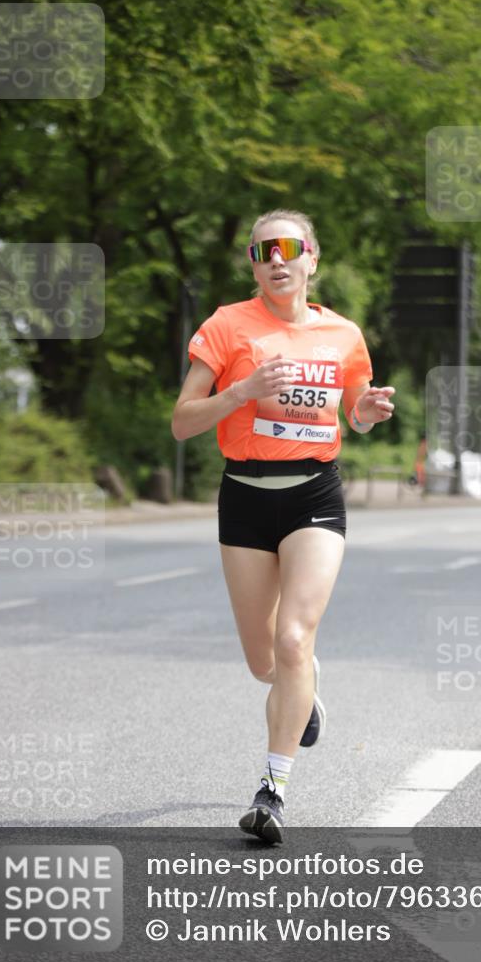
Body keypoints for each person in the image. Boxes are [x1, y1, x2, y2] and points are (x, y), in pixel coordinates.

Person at [171, 209, 395, 844]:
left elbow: (355, 413)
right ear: (252, 262)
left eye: (289, 248)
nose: (276, 259)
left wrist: (366, 411)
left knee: (294, 639)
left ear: (311, 259)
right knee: (264, 660)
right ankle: (304, 687)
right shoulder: (226, 325)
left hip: (313, 496)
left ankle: (272, 791)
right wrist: (240, 392)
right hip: (244, 496)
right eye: (263, 250)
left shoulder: (343, 335)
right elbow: (183, 422)